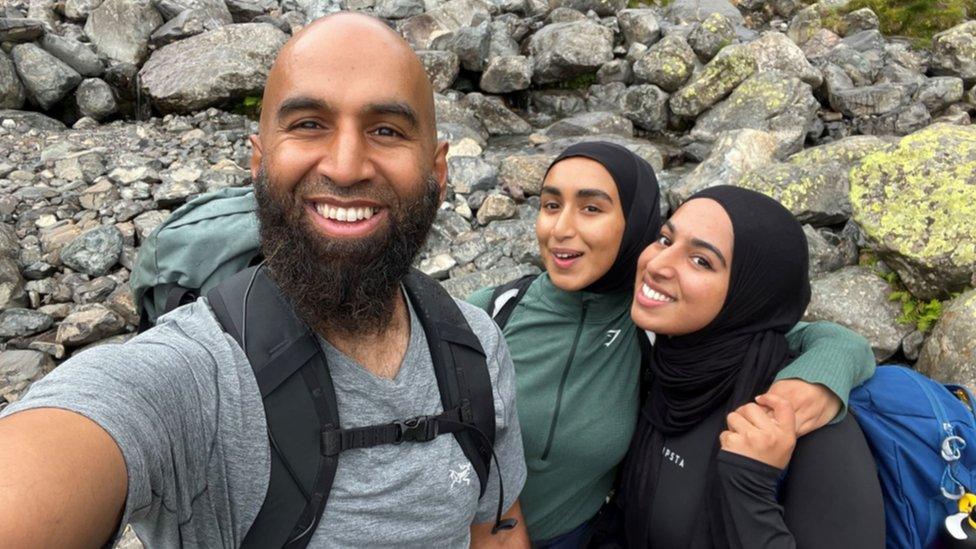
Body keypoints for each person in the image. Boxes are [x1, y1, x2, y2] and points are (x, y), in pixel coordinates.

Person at [0, 13, 529, 548]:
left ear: (439, 173)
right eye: (308, 124)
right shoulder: (194, 376)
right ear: (257, 163)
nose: (346, 168)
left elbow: (497, 530)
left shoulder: (477, 346)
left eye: (386, 130)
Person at [466, 143, 877, 546]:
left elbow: (827, 339)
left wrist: (821, 375)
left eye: (592, 207)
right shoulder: (497, 311)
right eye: (550, 204)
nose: (560, 229)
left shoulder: (656, 331)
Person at [619, 185, 884, 548]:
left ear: (752, 293)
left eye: (701, 260)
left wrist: (749, 484)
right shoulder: (668, 363)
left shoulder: (804, 421)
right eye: (665, 240)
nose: (657, 264)